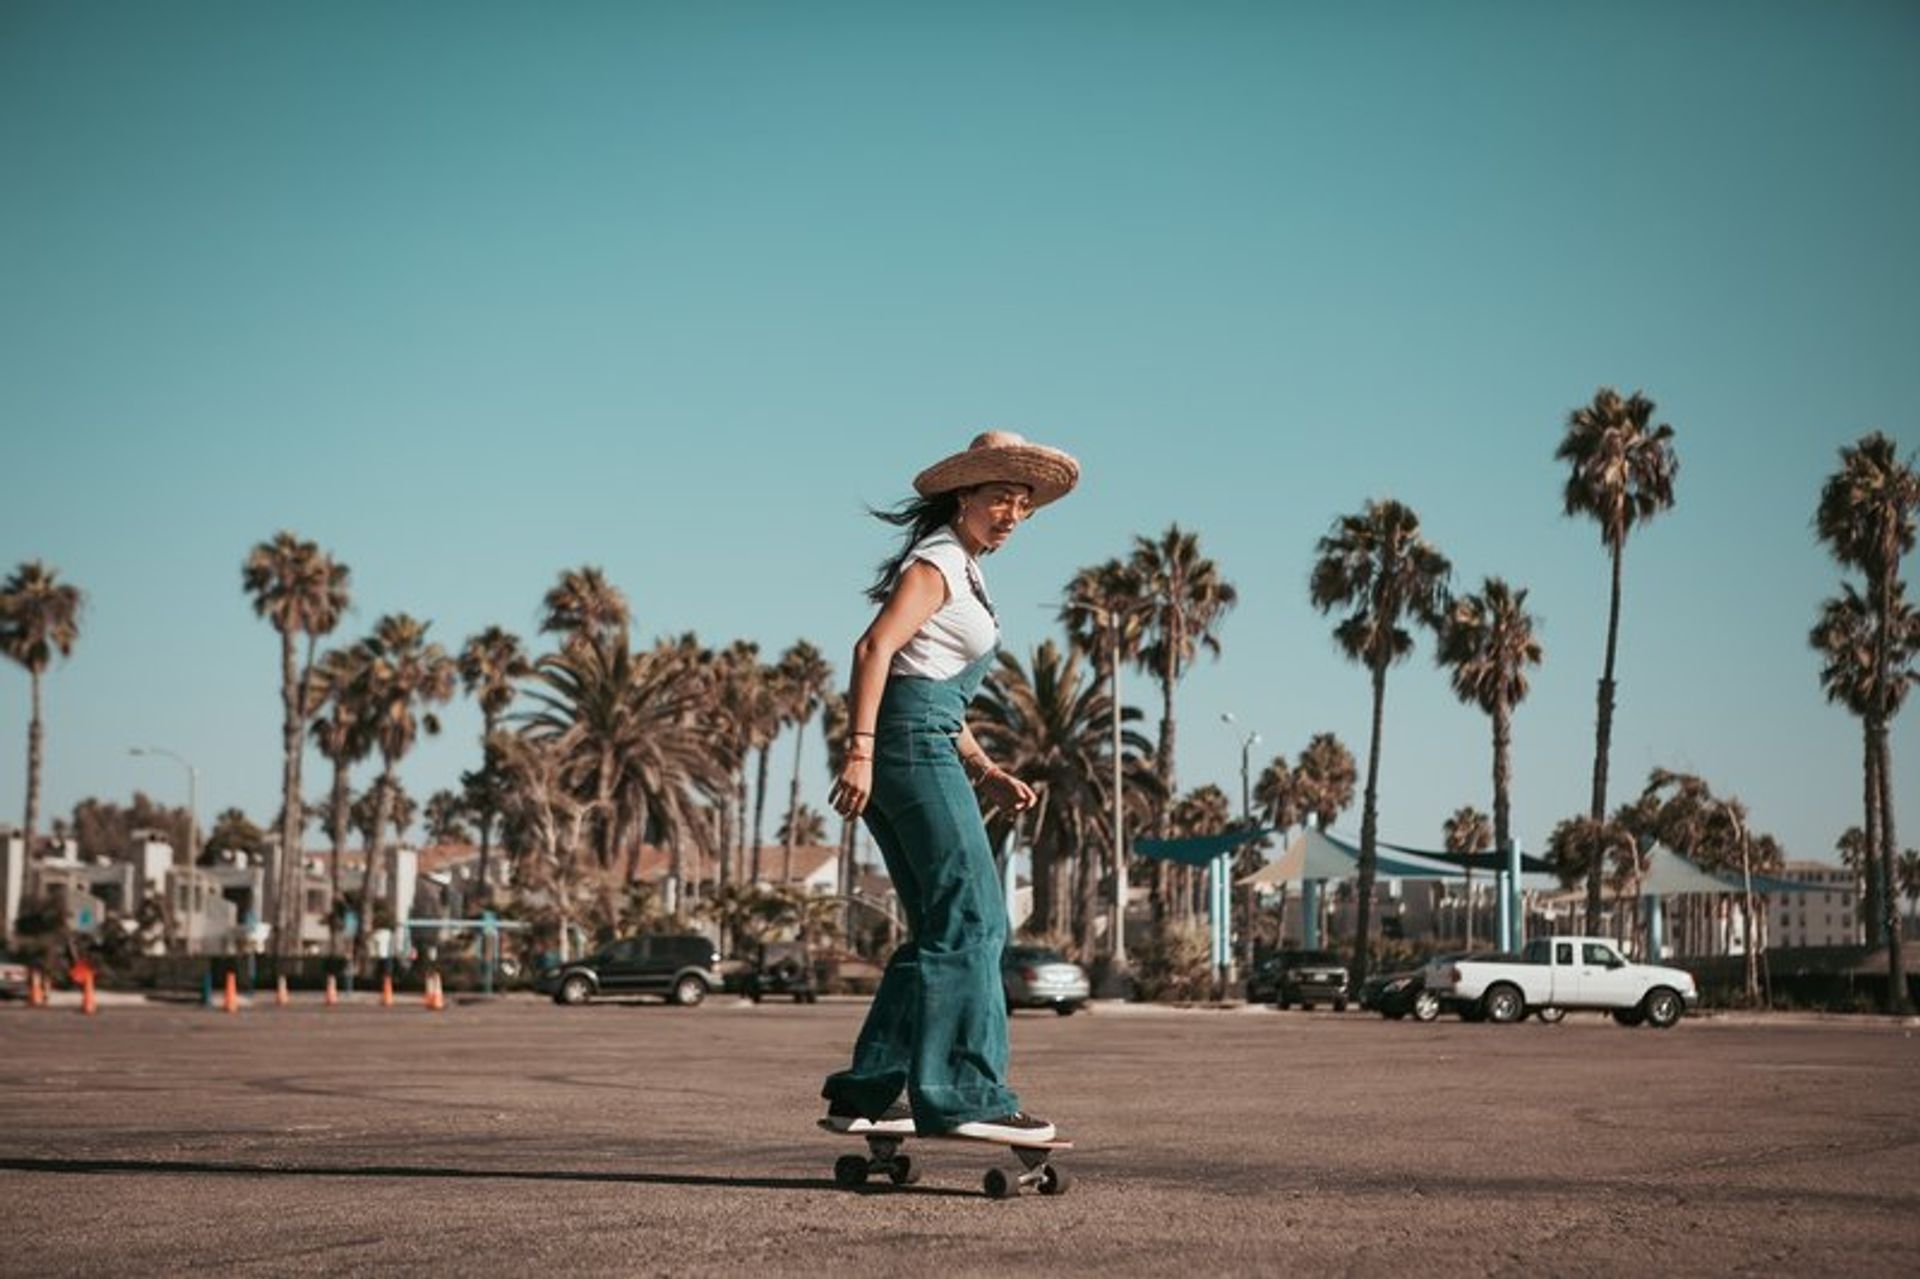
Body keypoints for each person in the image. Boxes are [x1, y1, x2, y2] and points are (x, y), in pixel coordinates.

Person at [821, 430, 1079, 1143]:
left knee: (941, 926)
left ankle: (870, 1088)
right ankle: (967, 1091)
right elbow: (875, 649)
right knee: (977, 919)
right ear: (962, 496)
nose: (1011, 515)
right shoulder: (937, 561)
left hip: (923, 739)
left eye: (1022, 504)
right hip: (903, 746)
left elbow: (930, 686)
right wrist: (861, 750)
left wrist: (987, 769)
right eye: (999, 497)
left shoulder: (963, 569)